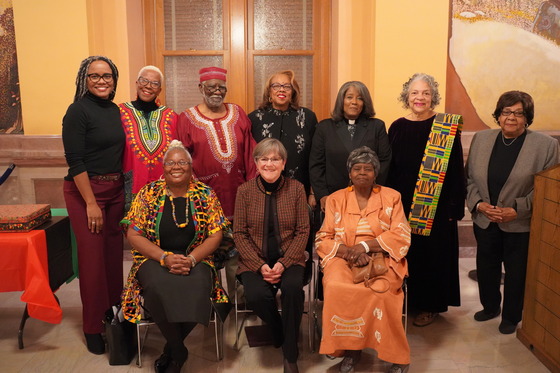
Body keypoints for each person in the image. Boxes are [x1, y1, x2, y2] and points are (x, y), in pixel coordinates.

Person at [121, 140, 230, 373]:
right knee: (157, 287)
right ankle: (179, 350)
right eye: (171, 162)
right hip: (153, 258)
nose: (176, 166)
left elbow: (215, 235)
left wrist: (191, 259)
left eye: (182, 162)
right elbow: (133, 234)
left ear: (191, 167)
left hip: (196, 257)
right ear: (163, 167)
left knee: (201, 286)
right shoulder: (148, 193)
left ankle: (172, 350)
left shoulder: (205, 194)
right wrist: (163, 258)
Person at [466, 91, 559, 334]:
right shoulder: (481, 139)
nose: (511, 118)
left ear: (528, 118)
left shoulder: (546, 146)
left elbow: (547, 187)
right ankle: (490, 307)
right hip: (485, 218)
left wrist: (517, 209)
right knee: (486, 266)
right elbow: (468, 179)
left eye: (519, 113)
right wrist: (479, 205)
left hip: (520, 223)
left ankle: (511, 316)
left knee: (517, 272)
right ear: (498, 115)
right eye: (506, 112)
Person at [316, 146, 411, 373]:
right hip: (343, 254)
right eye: (356, 168)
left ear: (375, 173)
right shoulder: (335, 199)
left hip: (382, 255)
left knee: (382, 291)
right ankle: (350, 350)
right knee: (337, 286)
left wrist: (365, 247)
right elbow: (323, 237)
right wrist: (350, 252)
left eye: (367, 169)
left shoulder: (392, 197)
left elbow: (401, 234)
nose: (362, 173)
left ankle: (396, 355)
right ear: (349, 173)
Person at [386, 73, 465, 327]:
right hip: (403, 203)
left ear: (433, 97)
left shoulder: (445, 125)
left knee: (433, 256)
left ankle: (429, 306)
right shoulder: (397, 126)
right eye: (414, 93)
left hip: (438, 206)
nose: (420, 98)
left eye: (426, 93)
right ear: (406, 97)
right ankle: (407, 300)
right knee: (408, 253)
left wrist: (455, 204)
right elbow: (390, 169)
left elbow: (455, 169)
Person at [61, 55, 125, 354]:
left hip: (114, 191)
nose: (102, 80)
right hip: (86, 192)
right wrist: (90, 203)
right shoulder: (77, 111)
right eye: (95, 76)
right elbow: (75, 161)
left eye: (107, 75)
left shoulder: (114, 110)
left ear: (114, 79)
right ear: (84, 80)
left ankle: (113, 315)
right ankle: (92, 328)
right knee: (92, 262)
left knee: (113, 259)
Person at [177, 66, 256, 298]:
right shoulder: (187, 118)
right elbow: (182, 160)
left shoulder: (238, 113)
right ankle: (211, 304)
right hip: (204, 203)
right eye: (211, 87)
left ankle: (238, 303)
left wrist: (251, 191)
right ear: (200, 87)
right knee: (206, 256)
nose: (217, 92)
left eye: (221, 87)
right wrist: (194, 198)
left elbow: (251, 154)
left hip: (238, 198)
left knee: (237, 255)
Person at [233, 138, 310, 373]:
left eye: (275, 159)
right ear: (256, 163)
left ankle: (290, 356)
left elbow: (303, 231)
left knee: (292, 289)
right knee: (256, 296)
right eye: (264, 159)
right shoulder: (244, 191)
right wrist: (259, 266)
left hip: (291, 257)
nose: (269, 164)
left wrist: (283, 264)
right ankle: (280, 331)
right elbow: (238, 232)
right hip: (254, 259)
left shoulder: (296, 189)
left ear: (284, 163)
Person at [309, 81, 391, 212]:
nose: (354, 102)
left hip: (369, 197)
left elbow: (385, 161)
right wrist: (322, 195)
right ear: (341, 100)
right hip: (333, 196)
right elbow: (316, 164)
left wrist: (374, 191)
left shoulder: (377, 126)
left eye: (360, 98)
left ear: (365, 103)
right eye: (349, 97)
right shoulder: (324, 127)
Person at [249, 70, 318, 208]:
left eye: (287, 86)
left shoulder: (307, 117)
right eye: (276, 86)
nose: (282, 89)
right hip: (262, 190)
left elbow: (315, 157)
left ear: (293, 92)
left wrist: (313, 192)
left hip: (299, 189)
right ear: (269, 91)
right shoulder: (254, 118)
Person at [119, 65, 177, 212]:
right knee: (134, 232)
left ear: (160, 90)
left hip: (164, 189)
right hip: (130, 186)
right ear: (137, 83)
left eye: (154, 83)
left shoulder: (171, 116)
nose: (148, 86)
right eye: (144, 81)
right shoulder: (120, 113)